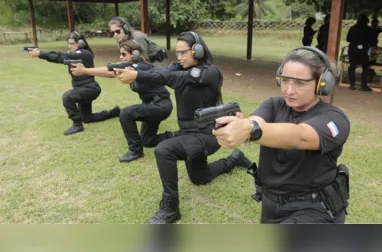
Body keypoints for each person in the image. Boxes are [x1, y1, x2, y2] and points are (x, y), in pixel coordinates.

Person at [114, 31, 252, 224]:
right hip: (189, 133)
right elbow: (161, 73)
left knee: (164, 150)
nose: (178, 57)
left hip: (207, 134)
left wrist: (137, 74)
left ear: (197, 51)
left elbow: (176, 79)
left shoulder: (210, 72)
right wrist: (137, 73)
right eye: (177, 53)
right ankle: (234, 159)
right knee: (200, 177)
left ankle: (171, 209)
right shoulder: (179, 67)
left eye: (183, 52)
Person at [213, 46, 351, 224]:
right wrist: (244, 125)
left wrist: (250, 129)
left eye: (299, 83)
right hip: (271, 204)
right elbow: (257, 122)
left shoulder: (335, 119)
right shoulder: (275, 104)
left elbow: (300, 136)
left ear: (321, 83)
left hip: (314, 208)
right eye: (285, 81)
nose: (288, 90)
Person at [71, 40, 173, 162]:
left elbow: (110, 72)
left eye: (124, 54)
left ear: (134, 54)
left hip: (160, 106)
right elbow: (113, 71)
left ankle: (135, 151)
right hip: (152, 105)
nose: (121, 57)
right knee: (147, 141)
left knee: (126, 113)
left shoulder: (140, 66)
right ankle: (178, 135)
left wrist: (85, 71)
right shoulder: (132, 66)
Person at [28, 31, 120, 135]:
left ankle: (77, 125)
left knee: (67, 97)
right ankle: (113, 112)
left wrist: (40, 53)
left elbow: (60, 56)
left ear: (80, 43)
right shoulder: (74, 54)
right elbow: (58, 59)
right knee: (87, 118)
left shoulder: (85, 54)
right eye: (68, 43)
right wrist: (41, 54)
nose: (69, 46)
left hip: (90, 89)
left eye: (72, 43)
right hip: (82, 88)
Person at [346, 14, 373, 91]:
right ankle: (363, 85)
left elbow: (348, 39)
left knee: (352, 67)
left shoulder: (352, 28)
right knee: (365, 68)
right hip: (363, 50)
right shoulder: (368, 29)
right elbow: (371, 41)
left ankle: (352, 85)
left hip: (352, 49)